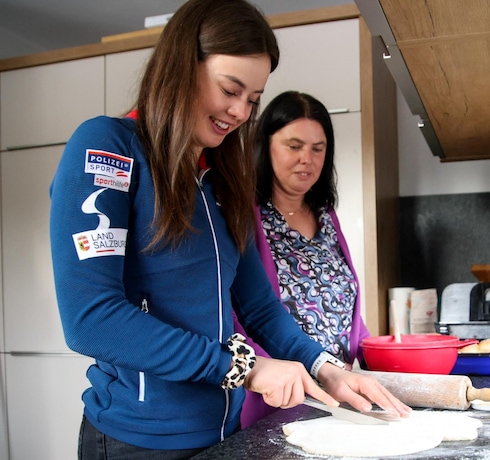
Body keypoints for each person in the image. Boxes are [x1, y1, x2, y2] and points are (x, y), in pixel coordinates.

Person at [48, 1, 409, 458]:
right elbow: (91, 320)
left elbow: (258, 306)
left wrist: (324, 366)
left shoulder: (220, 179)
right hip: (134, 439)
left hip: (222, 433)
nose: (239, 111)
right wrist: (245, 368)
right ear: (183, 67)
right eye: (230, 89)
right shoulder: (108, 147)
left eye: (253, 99)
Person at [233, 91, 371, 428]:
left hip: (339, 393)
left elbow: (343, 303)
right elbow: (241, 313)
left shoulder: (326, 214)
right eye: (294, 146)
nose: (306, 159)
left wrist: (372, 352)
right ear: (265, 146)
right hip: (280, 398)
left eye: (317, 149)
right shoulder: (243, 216)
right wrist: (259, 370)